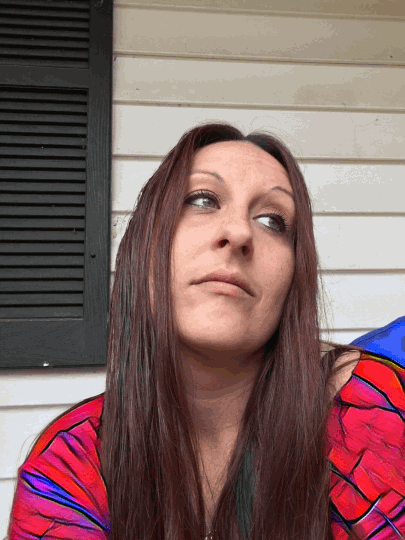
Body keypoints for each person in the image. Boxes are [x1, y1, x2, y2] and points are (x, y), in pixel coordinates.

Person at [8, 123, 405, 540]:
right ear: (146, 245)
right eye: (202, 199)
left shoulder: (375, 414)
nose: (239, 233)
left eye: (273, 220)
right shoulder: (68, 466)